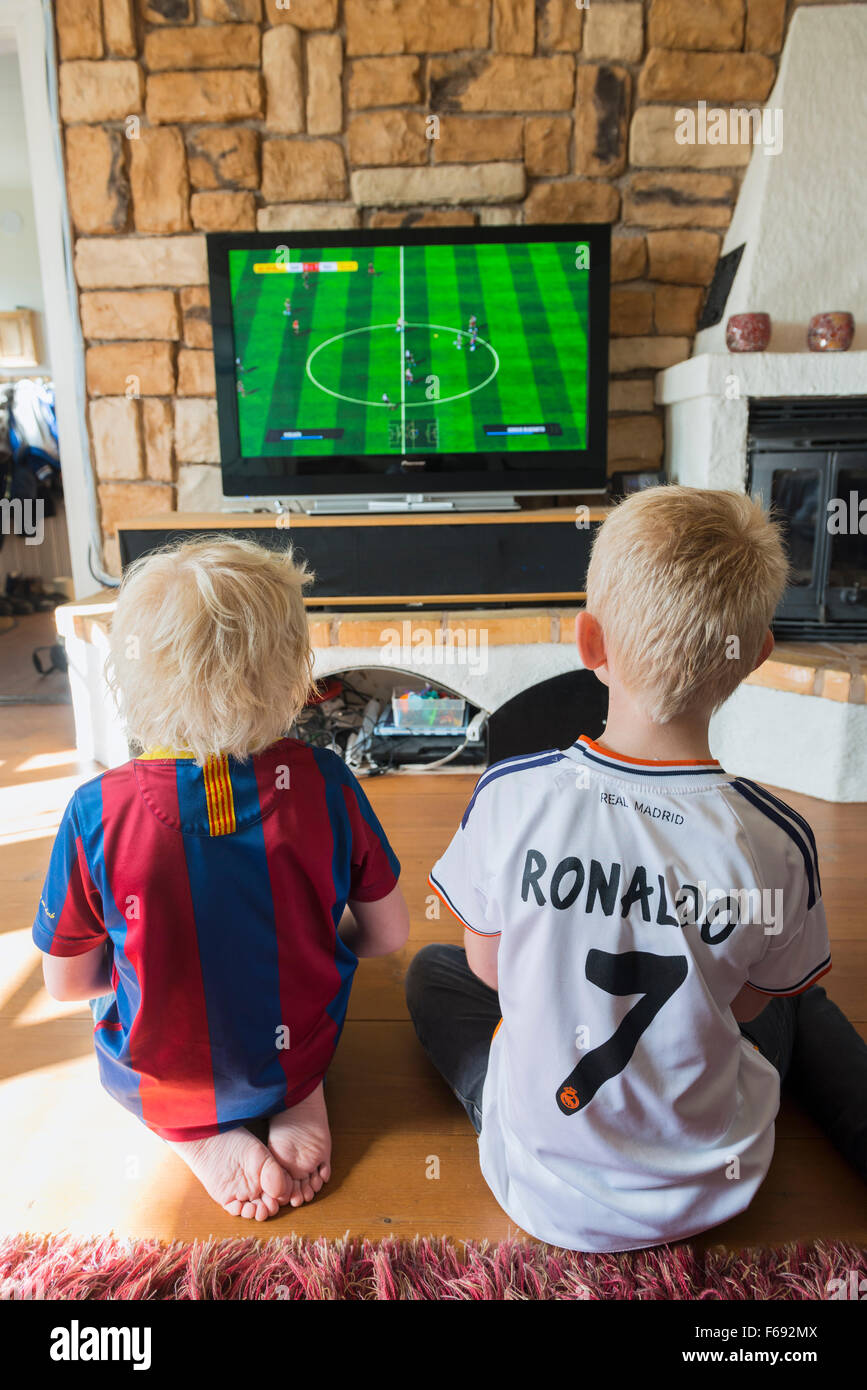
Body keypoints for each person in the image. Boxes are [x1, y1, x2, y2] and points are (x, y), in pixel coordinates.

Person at [407, 485, 867, 1251]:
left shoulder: (511, 797)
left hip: (542, 1191)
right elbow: (751, 1009)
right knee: (799, 999)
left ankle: (524, 1115)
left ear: (589, 644)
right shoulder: (775, 842)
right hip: (707, 1187)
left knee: (432, 971)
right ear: (755, 657)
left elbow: (487, 970)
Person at [33, 538, 409, 1222]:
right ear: (292, 670)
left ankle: (192, 1129)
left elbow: (67, 984)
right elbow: (387, 936)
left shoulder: (96, 811)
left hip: (162, 1072)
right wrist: (309, 940)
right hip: (298, 1040)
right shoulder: (324, 781)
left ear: (132, 672)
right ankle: (296, 1090)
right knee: (288, 987)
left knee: (125, 986)